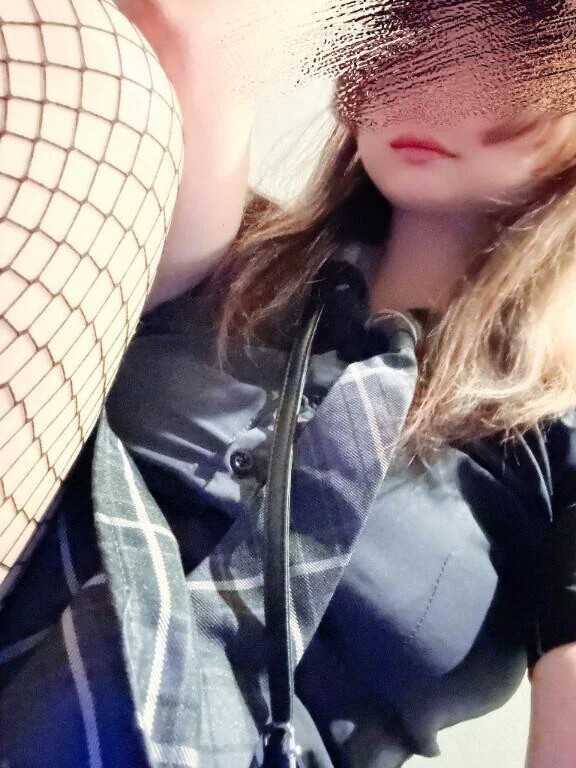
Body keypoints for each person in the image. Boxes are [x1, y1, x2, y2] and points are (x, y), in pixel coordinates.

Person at [1, 1, 576, 767]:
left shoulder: (555, 448)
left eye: (501, 60)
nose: (423, 87)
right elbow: (182, 35)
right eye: (400, 42)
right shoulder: (221, 255)